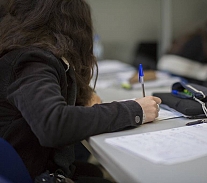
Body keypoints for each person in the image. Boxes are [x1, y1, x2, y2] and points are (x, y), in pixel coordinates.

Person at [0, 0, 161, 182]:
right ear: (72, 25)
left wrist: (82, 97)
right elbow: (54, 124)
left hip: (34, 164)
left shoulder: (26, 55)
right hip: (37, 174)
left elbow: (43, 101)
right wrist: (135, 110)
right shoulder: (32, 61)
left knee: (94, 171)